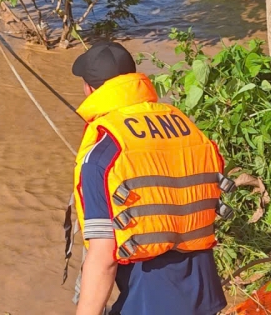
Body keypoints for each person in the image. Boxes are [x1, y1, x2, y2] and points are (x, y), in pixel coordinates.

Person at [71, 42, 227, 315]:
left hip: (148, 301)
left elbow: (104, 259)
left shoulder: (103, 154)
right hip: (204, 293)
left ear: (89, 89)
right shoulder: (184, 125)